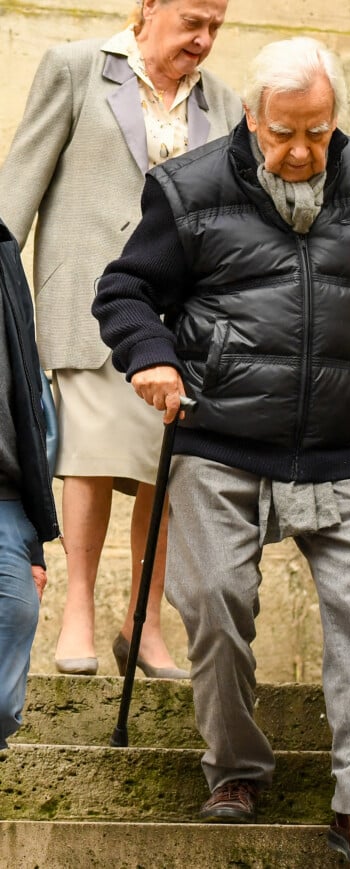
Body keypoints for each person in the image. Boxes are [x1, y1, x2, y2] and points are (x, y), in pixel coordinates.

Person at [93, 36, 350, 867]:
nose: (302, 150)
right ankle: (236, 767)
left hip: (339, 445)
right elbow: (125, 289)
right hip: (219, 438)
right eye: (284, 133)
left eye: (317, 130)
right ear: (251, 116)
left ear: (333, 116)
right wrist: (152, 355)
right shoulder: (189, 187)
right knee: (214, 607)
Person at [0, 0, 242, 676]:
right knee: (93, 451)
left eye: (215, 27)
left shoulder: (223, 103)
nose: (203, 38)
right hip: (86, 299)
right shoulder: (75, 70)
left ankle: (144, 623)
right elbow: (17, 187)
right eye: (193, 21)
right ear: (149, 7)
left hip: (182, 322)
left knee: (166, 471)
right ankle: (77, 610)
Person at [0, 217, 60, 750]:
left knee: (1, 699)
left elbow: (25, 393)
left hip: (7, 503)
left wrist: (36, 538)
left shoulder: (2, 250)